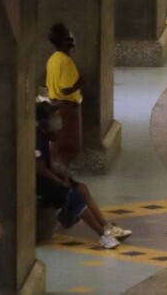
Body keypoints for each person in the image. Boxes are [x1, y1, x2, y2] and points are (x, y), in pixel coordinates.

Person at [34, 103, 127, 248]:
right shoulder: (36, 139)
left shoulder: (46, 136)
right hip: (38, 182)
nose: (57, 120)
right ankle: (102, 235)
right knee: (72, 195)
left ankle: (107, 226)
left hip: (47, 177)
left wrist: (62, 176)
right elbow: (38, 168)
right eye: (52, 117)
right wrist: (59, 182)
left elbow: (49, 165)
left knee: (82, 189)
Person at [44, 22, 83, 164]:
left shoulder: (53, 59)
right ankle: (64, 179)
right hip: (67, 109)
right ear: (66, 40)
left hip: (55, 106)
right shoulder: (66, 62)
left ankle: (59, 174)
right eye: (68, 34)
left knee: (57, 147)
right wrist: (80, 82)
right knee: (69, 148)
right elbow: (66, 89)